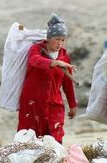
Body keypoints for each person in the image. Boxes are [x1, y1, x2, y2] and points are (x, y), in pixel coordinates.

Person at [17, 13, 77, 143]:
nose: (60, 43)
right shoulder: (36, 49)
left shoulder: (64, 57)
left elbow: (67, 83)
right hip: (33, 101)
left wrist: (72, 105)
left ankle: (56, 162)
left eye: (63, 40)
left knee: (55, 136)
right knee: (31, 137)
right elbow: (34, 60)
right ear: (49, 38)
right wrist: (54, 63)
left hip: (54, 103)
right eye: (57, 39)